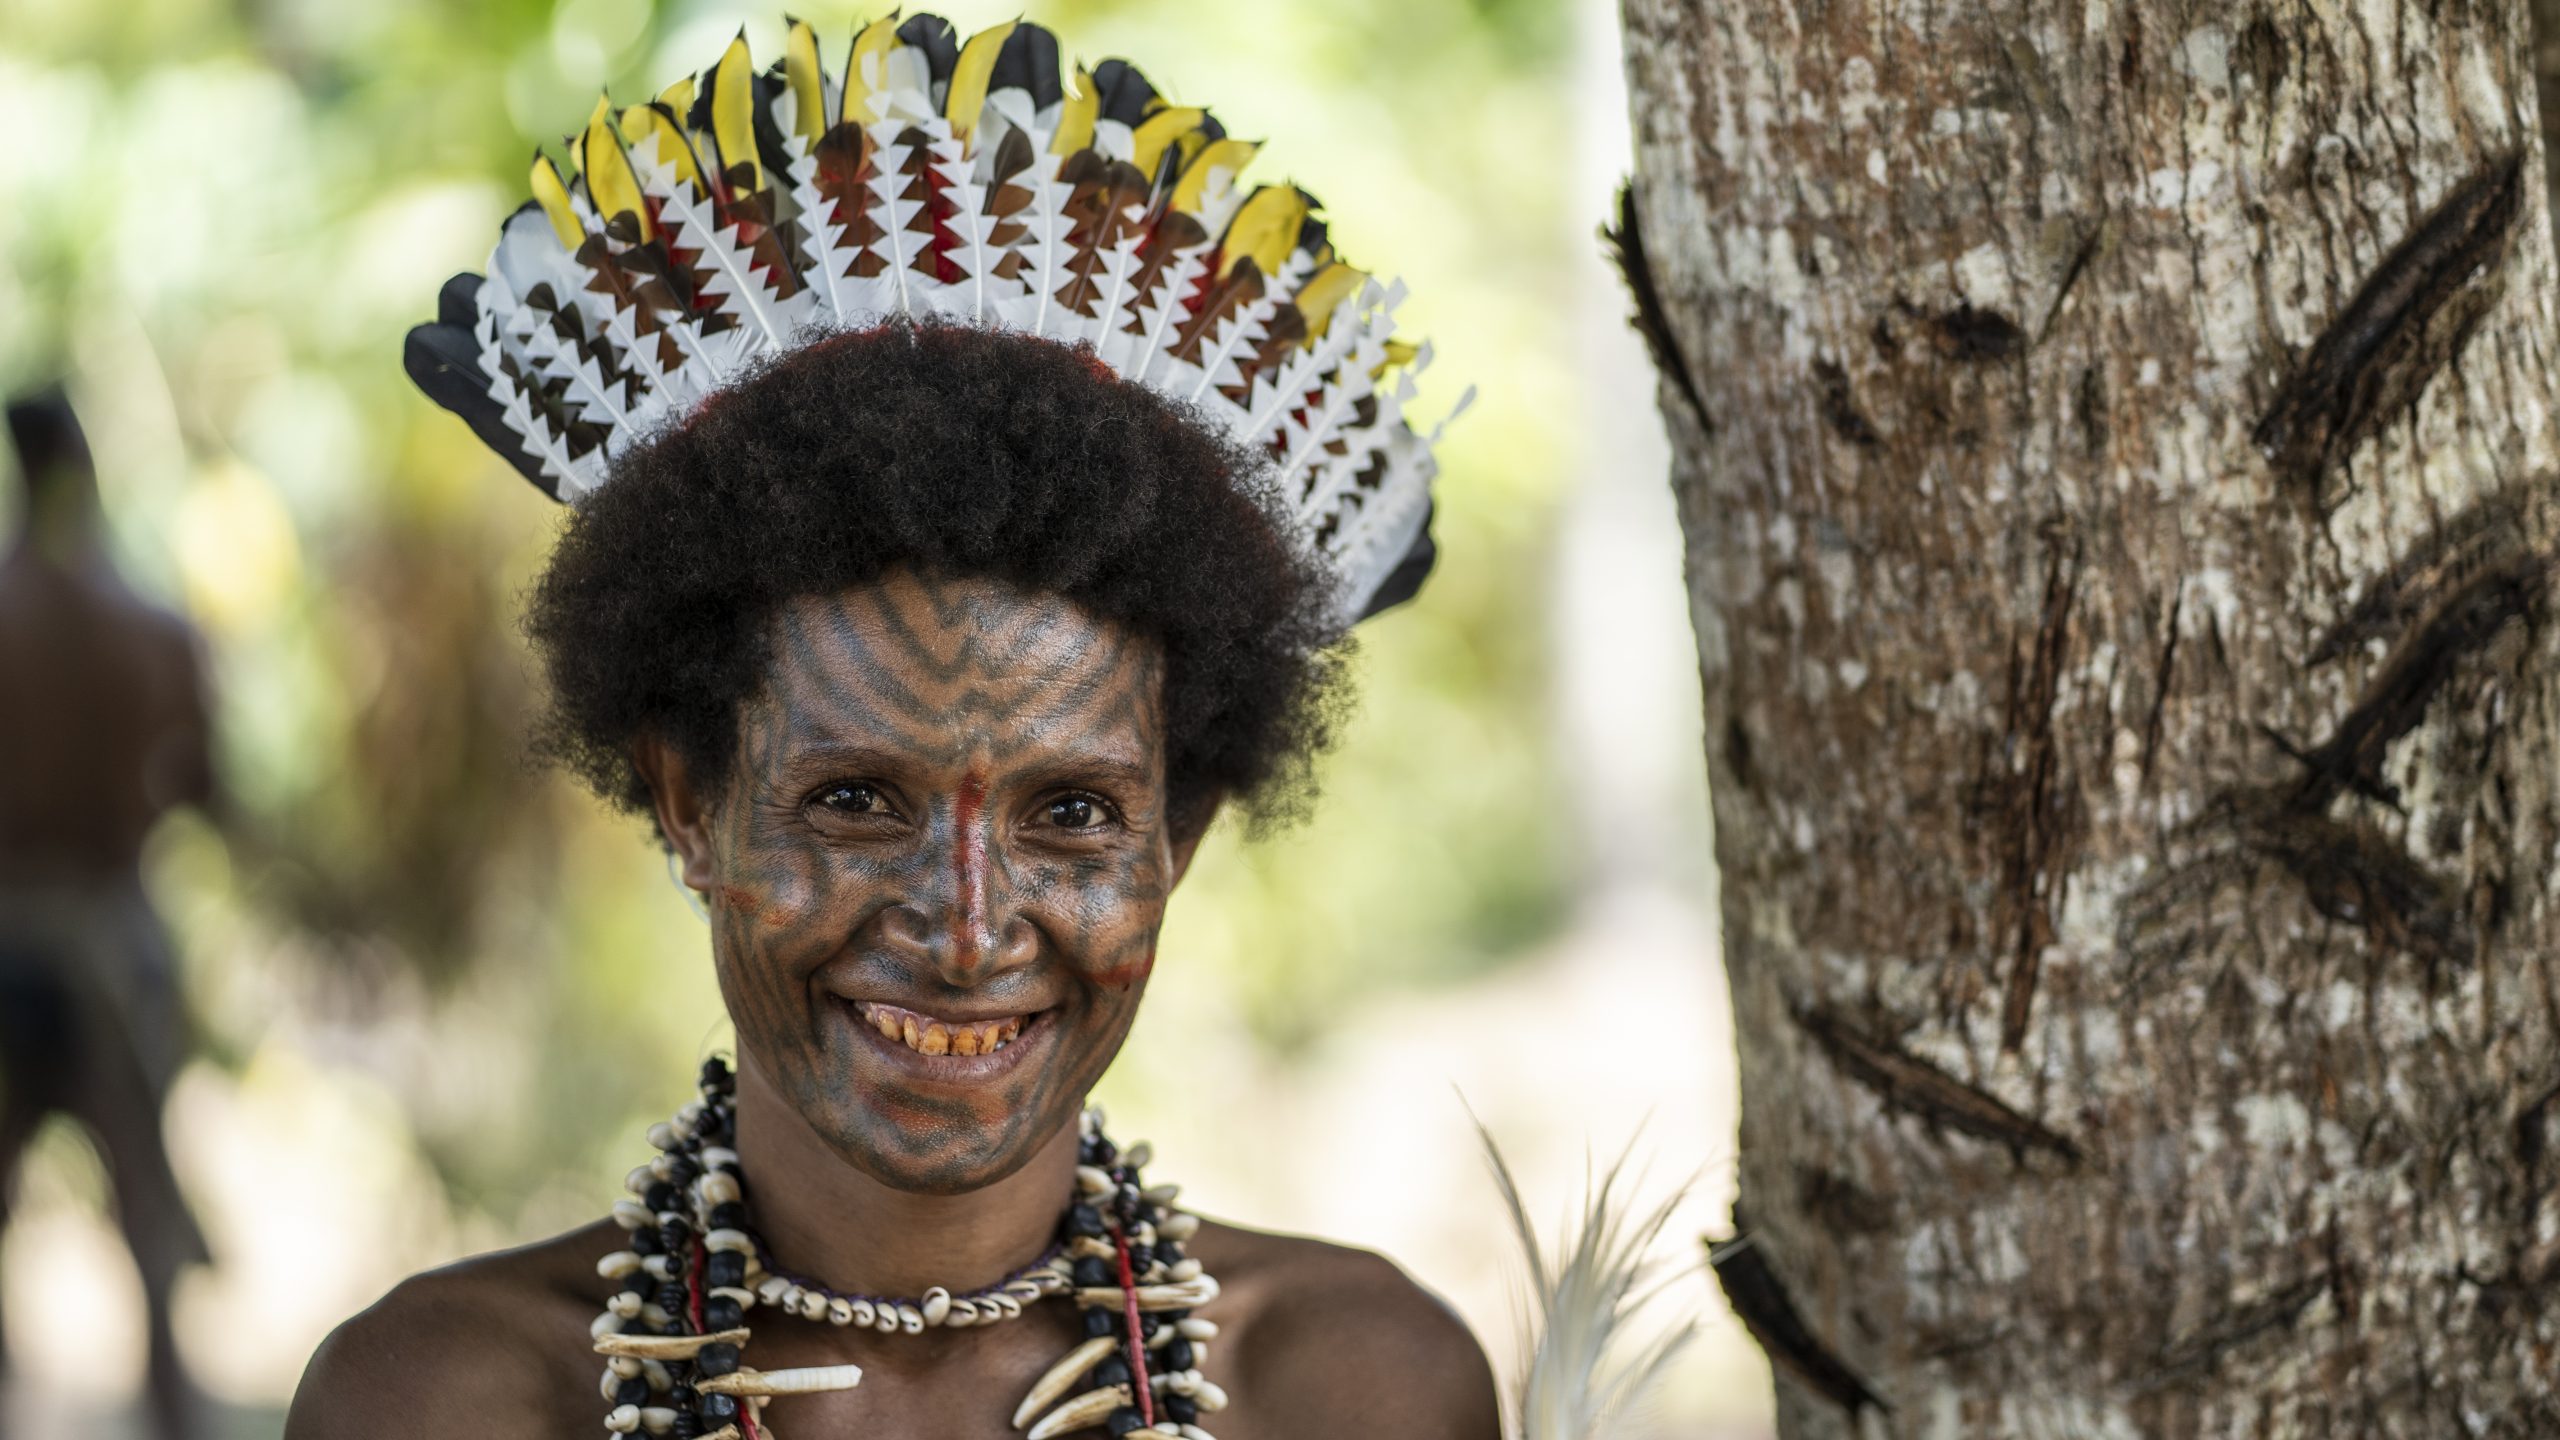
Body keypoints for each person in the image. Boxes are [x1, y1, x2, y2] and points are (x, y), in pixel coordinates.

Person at [291, 15, 1494, 1438]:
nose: (971, 928)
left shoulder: (1353, 1388)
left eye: (1073, 814)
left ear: (1179, 837)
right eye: (858, 799)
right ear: (689, 800)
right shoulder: (448, 1402)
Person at [0, 386, 215, 1440]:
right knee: (146, 1223)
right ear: (81, 461)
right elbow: (210, 790)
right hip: (110, 936)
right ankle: (173, 1416)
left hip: (8, 928)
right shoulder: (154, 627)